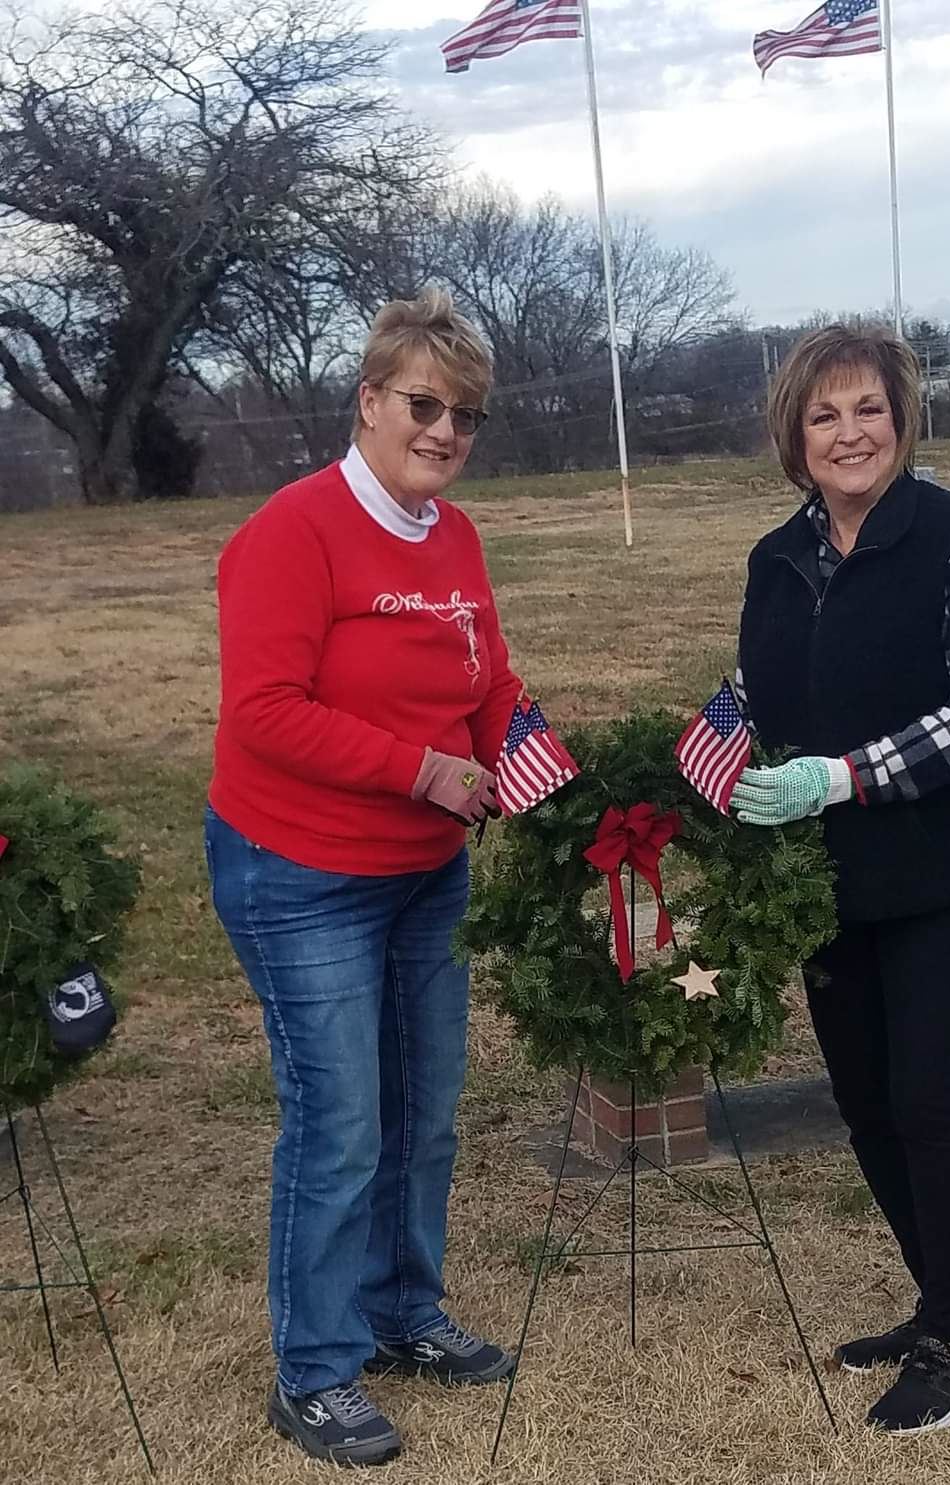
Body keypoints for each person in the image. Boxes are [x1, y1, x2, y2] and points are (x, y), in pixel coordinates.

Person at [204, 287, 522, 1469]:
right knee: (340, 1122)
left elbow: (485, 676)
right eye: (424, 405)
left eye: (466, 415)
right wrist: (421, 771)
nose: (444, 431)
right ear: (370, 402)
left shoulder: (456, 535)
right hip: (300, 871)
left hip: (422, 873)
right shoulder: (293, 531)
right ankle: (315, 1370)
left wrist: (532, 753)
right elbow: (265, 712)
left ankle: (402, 1313)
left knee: (423, 1112)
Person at [729, 324, 950, 1436]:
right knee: (863, 1101)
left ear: (901, 420)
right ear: (795, 437)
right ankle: (939, 1303)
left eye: (868, 409)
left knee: (924, 1091)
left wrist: (842, 775)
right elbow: (748, 696)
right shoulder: (779, 558)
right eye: (825, 415)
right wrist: (690, 770)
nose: (849, 432)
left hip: (949, 871)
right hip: (836, 882)